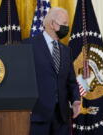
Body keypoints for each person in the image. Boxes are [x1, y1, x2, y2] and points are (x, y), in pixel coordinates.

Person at [22, 7, 81, 135]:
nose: (67, 27)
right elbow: (23, 79)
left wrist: (76, 100)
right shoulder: (28, 45)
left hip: (62, 117)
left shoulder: (66, 50)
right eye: (64, 23)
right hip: (38, 115)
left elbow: (71, 80)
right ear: (52, 24)